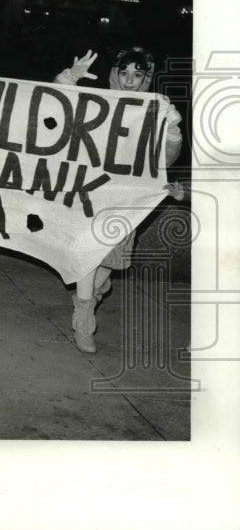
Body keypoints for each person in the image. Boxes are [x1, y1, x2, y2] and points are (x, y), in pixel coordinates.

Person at [55, 48, 184, 352]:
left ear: (146, 77)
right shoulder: (101, 101)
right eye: (123, 72)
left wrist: (173, 131)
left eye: (137, 74)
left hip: (128, 196)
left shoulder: (155, 107)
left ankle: (92, 293)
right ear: (115, 72)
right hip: (91, 189)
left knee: (112, 261)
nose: (129, 80)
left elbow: (167, 158)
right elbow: (55, 102)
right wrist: (69, 76)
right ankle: (84, 319)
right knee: (90, 251)